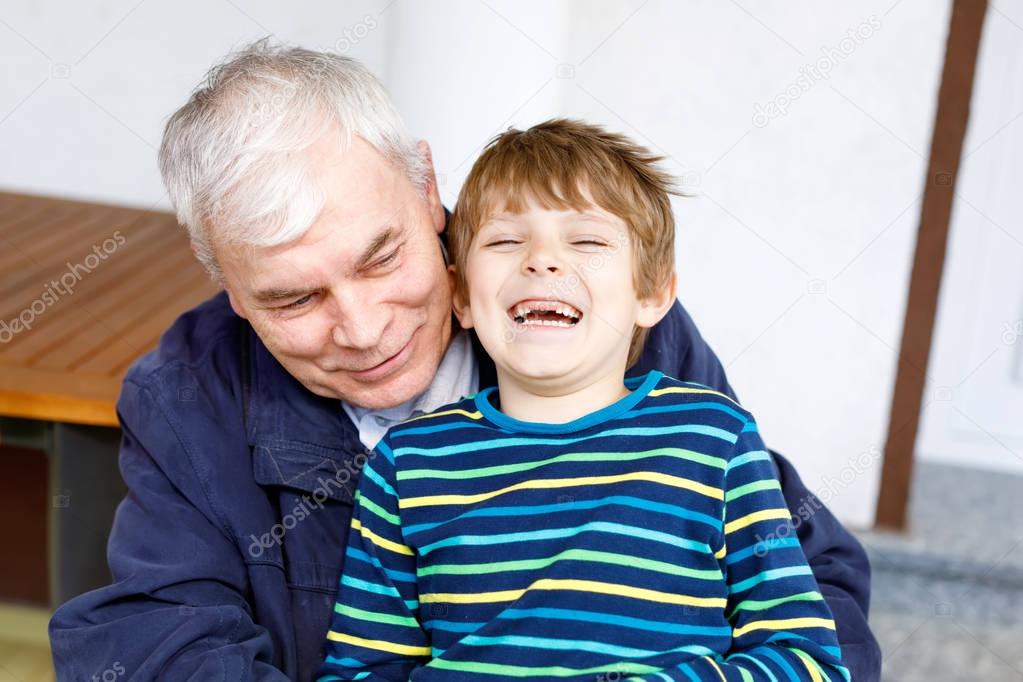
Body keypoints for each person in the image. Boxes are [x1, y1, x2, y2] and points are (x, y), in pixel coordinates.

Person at [49, 41, 880, 681]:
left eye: (382, 259)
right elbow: (154, 642)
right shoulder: (187, 395)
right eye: (295, 300)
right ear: (229, 287)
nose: (365, 328)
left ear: (428, 191)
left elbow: (809, 578)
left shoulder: (597, 323)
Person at [317, 119, 850, 681]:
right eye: (505, 240)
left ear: (652, 293)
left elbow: (809, 660)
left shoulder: (714, 440)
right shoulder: (408, 463)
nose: (542, 260)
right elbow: (362, 669)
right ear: (461, 296)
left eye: (587, 240)